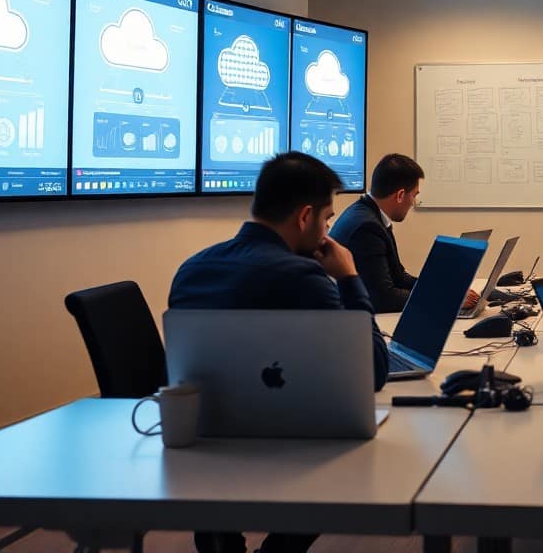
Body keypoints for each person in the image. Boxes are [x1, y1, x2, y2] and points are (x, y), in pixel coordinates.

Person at [169, 151, 389, 553]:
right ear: (305, 217)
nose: (328, 231)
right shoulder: (302, 276)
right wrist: (349, 278)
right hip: (286, 441)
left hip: (200, 440)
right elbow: (373, 370)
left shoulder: (191, 268)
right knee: (357, 451)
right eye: (327, 219)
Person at [330, 153, 477, 313]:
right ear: (400, 195)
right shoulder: (366, 227)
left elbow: (399, 277)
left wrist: (445, 290)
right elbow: (384, 298)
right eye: (414, 195)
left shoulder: (370, 216)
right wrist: (446, 299)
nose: (413, 203)